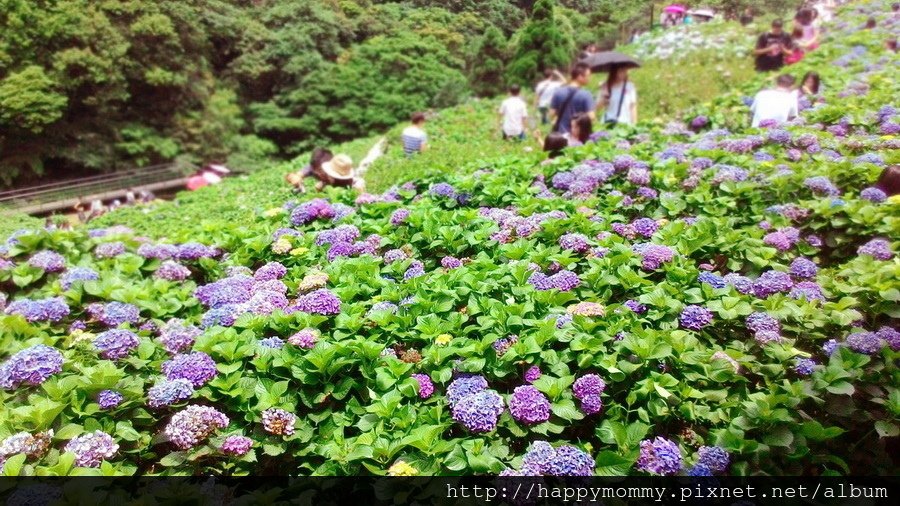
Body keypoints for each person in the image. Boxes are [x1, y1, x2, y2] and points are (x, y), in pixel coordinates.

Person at [549, 63, 595, 135]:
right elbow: (591, 117)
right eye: (588, 75)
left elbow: (551, 114)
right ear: (580, 76)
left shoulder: (558, 92)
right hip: (577, 136)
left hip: (560, 134)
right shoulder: (586, 95)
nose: (590, 78)